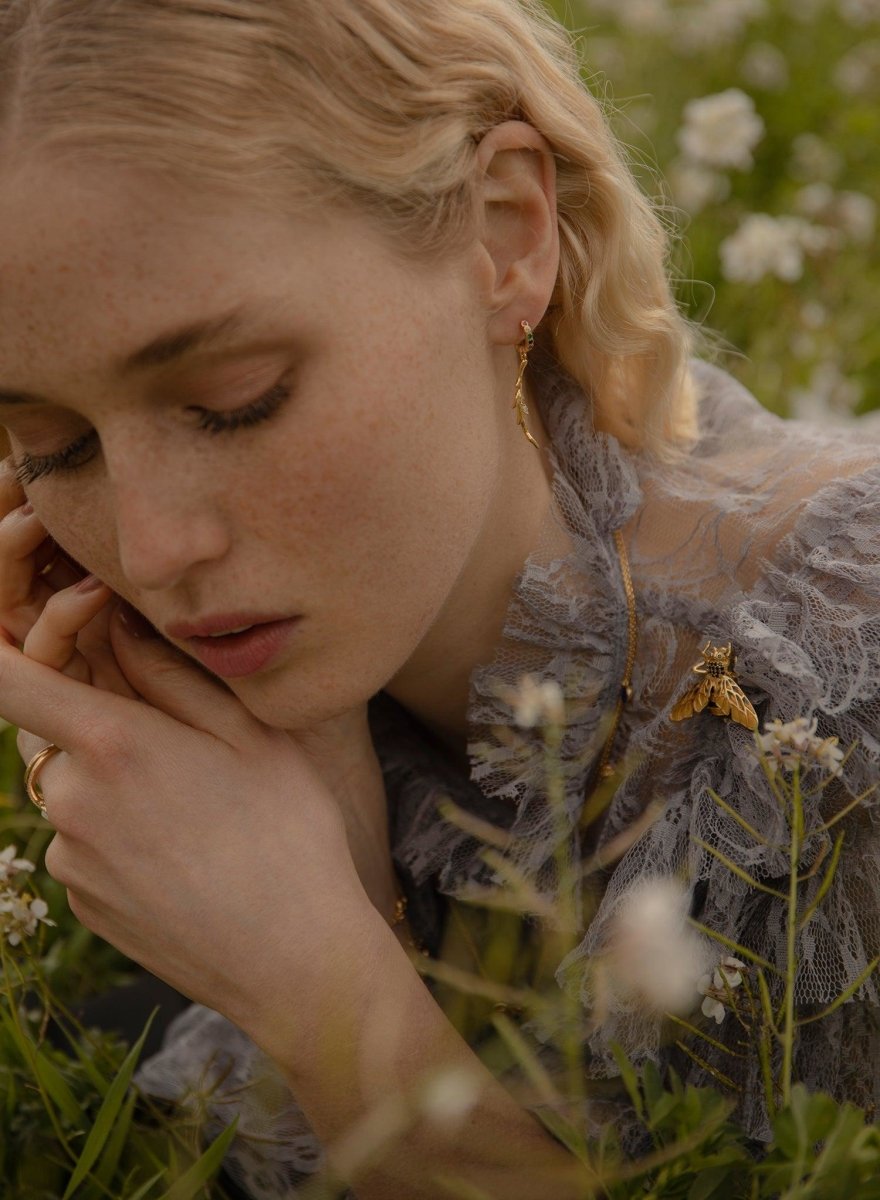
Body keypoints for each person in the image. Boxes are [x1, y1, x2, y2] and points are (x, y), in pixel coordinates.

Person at [0, 1, 878, 1197]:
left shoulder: (840, 681)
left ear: (506, 236)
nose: (153, 552)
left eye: (237, 399)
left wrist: (322, 992)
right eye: (52, 447)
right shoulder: (225, 782)